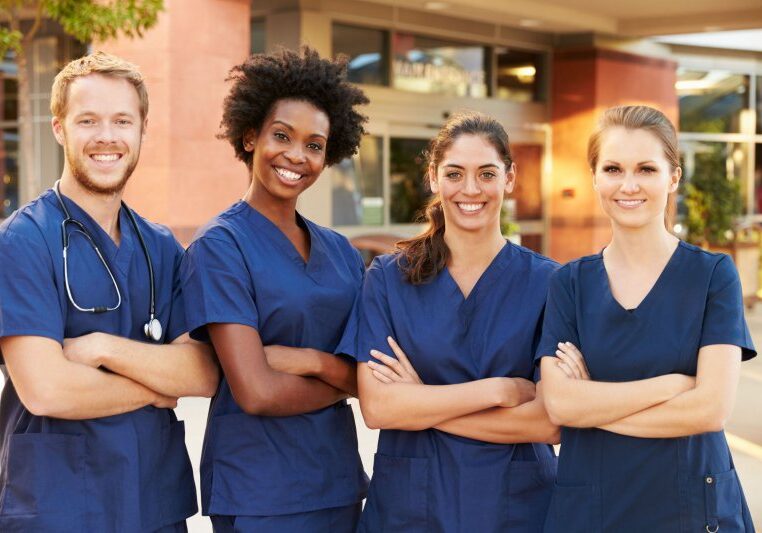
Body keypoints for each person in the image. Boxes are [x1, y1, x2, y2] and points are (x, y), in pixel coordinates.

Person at [0, 52, 219, 532]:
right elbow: (46, 389)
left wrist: (102, 348)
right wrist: (155, 384)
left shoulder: (161, 247)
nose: (106, 136)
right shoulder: (22, 240)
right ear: (59, 128)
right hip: (58, 506)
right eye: (88, 120)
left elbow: (202, 373)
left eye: (122, 120)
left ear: (143, 129)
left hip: (152, 503)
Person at [536, 105, 756, 532]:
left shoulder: (712, 276)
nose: (629, 185)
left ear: (673, 177)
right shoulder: (569, 283)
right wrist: (671, 387)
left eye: (646, 169)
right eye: (614, 168)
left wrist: (592, 407)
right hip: (593, 507)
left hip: (691, 506)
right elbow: (559, 403)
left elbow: (710, 410)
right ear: (595, 176)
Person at [179, 47, 369, 533]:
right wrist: (341, 379)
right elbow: (257, 392)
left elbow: (368, 380)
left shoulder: (342, 253)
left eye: (314, 144)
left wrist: (312, 362)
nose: (296, 156)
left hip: (339, 484)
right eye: (281, 136)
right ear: (250, 136)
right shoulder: (220, 247)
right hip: (261, 492)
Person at [341, 111, 560, 532]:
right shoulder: (388, 279)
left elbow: (548, 422)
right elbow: (379, 406)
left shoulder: (549, 283)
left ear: (509, 179)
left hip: (516, 509)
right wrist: (497, 389)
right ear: (433, 178)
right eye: (455, 173)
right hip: (412, 508)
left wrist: (421, 403)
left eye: (487, 173)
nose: (471, 189)